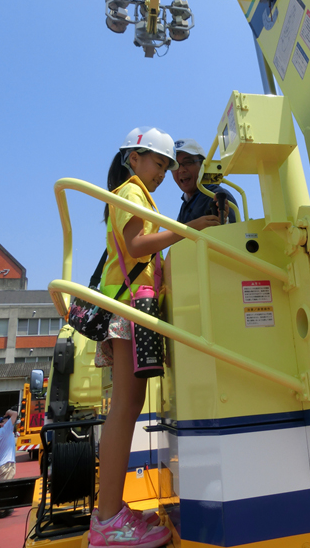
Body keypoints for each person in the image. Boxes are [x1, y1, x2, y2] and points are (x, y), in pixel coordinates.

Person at [89, 127, 222, 548]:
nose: (164, 173)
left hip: (133, 305)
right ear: (134, 158)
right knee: (126, 408)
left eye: (167, 166)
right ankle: (107, 521)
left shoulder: (137, 194)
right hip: (130, 306)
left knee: (128, 407)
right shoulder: (130, 192)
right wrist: (190, 228)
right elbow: (135, 246)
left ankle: (111, 511)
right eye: (159, 163)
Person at [172, 139, 238, 223]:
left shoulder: (217, 196)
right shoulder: (185, 204)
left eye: (188, 162)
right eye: (175, 165)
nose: (181, 170)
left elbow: (231, 233)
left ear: (203, 165)